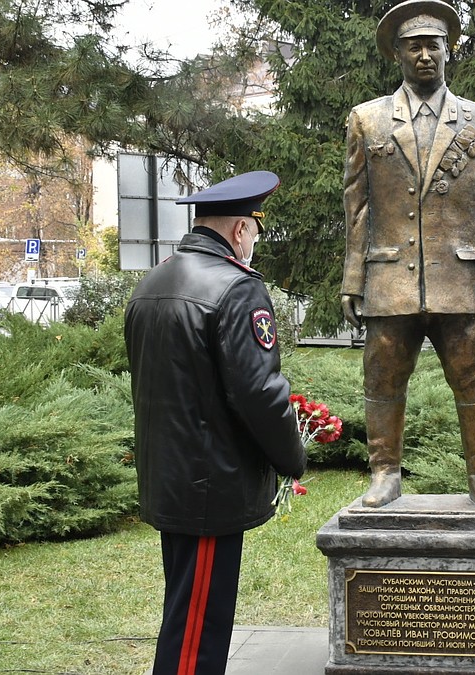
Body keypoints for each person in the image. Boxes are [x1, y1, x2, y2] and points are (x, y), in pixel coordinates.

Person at [125, 170, 307, 675]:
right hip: (209, 485)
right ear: (239, 230)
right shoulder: (237, 289)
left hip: (171, 476)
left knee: (186, 613)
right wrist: (292, 456)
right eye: (254, 230)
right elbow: (260, 393)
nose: (254, 241)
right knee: (197, 634)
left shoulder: (153, 282)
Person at [341, 0, 475, 509]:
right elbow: (356, 205)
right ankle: (384, 473)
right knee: (382, 374)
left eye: (433, 46)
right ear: (397, 54)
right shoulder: (368, 120)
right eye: (414, 46)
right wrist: (353, 278)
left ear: (448, 51)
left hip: (460, 276)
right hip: (390, 275)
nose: (424, 55)